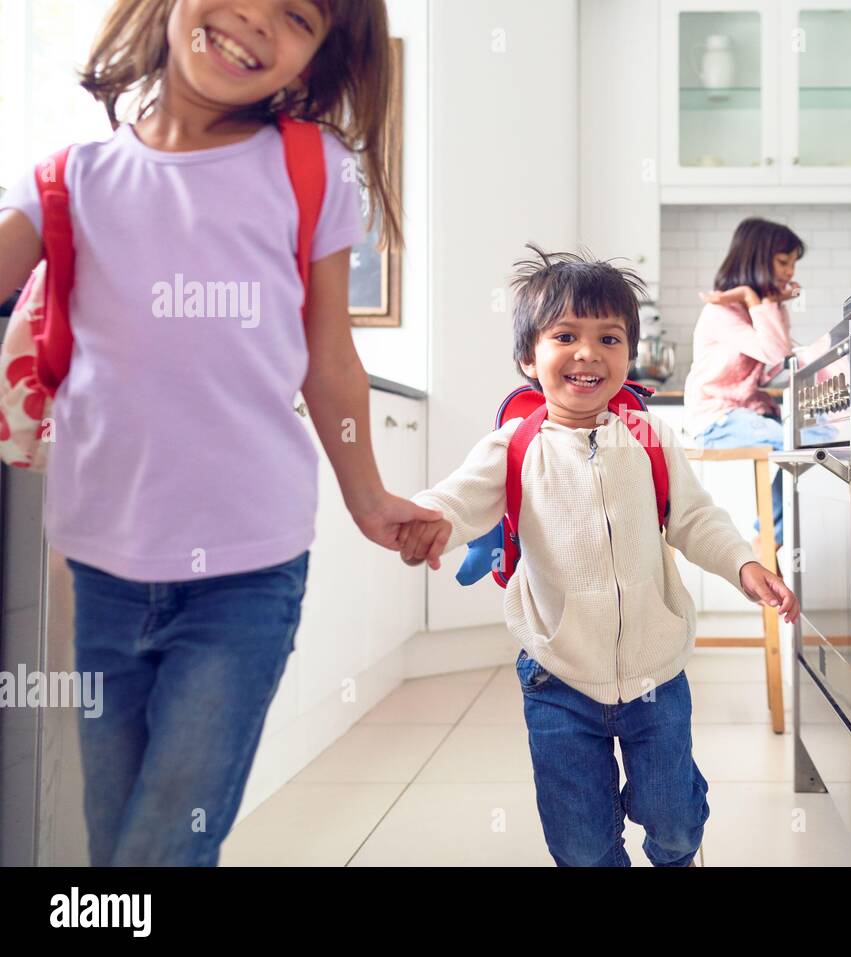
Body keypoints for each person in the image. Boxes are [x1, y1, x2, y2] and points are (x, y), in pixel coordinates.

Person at [0, 0, 443, 865]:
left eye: (297, 17)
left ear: (313, 63)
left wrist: (369, 497)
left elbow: (329, 359)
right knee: (113, 831)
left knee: (164, 841)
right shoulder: (68, 177)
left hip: (246, 571)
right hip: (99, 569)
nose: (253, 20)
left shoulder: (310, 167)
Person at [399, 245, 800, 867]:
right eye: (565, 335)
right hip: (557, 676)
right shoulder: (514, 444)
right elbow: (457, 501)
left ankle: (678, 837)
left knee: (673, 826)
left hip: (654, 674)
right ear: (528, 358)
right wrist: (424, 520)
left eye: (609, 338)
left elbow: (694, 518)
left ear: (629, 356)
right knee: (582, 845)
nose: (589, 353)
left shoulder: (648, 436)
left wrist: (744, 566)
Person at [682, 217, 805, 560]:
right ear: (757, 259)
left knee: (810, 448)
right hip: (714, 419)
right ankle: (767, 539)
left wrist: (773, 305)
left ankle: (768, 536)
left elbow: (776, 365)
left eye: (793, 263)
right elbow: (775, 352)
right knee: (796, 445)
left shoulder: (764, 308)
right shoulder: (722, 311)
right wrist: (757, 299)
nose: (789, 272)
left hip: (744, 414)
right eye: (783, 262)